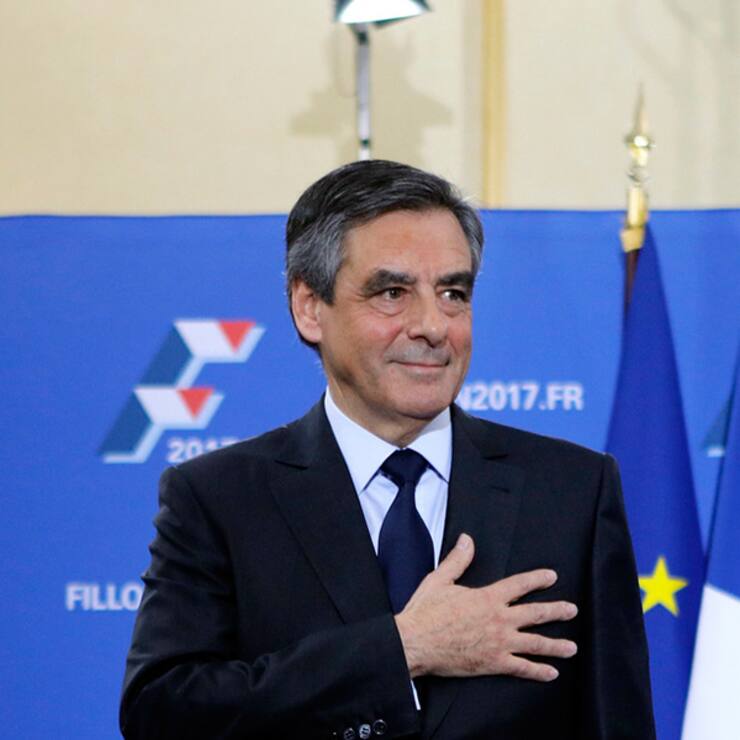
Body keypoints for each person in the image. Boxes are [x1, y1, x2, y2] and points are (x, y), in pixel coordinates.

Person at [120, 160, 655, 739]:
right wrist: (403, 649)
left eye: (453, 293)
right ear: (309, 307)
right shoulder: (218, 497)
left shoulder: (573, 490)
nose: (433, 325)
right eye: (393, 293)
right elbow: (163, 713)